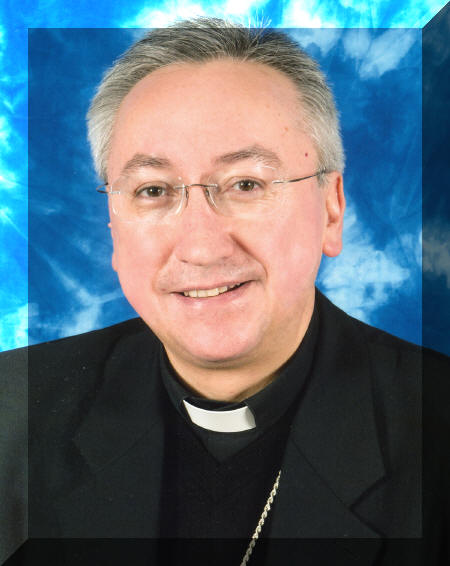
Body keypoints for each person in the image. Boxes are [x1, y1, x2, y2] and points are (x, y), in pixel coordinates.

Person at [1, 18, 449, 566]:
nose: (201, 246)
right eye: (153, 190)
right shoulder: (12, 412)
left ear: (332, 209)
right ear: (113, 228)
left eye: (245, 184)